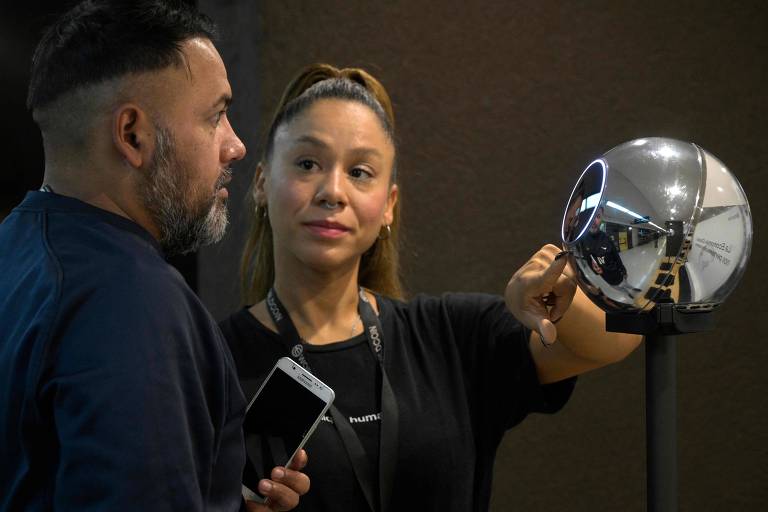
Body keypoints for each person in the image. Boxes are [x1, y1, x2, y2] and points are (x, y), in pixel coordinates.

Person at [219, 63, 643, 512]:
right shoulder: (215, 359)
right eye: (307, 164)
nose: (333, 191)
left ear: (389, 205)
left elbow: (618, 336)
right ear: (263, 184)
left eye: (360, 172)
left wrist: (552, 301)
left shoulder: (451, 338)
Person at [0, 1, 307, 510]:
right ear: (133, 135)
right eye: (216, 117)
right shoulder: (132, 303)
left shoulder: (15, 252)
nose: (236, 145)